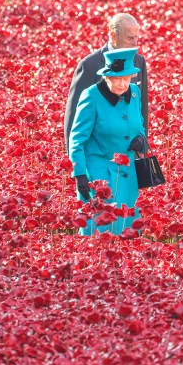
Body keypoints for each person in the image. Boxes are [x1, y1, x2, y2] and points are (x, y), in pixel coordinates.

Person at [68, 48, 148, 236]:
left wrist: (140, 140)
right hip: (100, 178)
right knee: (101, 234)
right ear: (107, 77)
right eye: (118, 79)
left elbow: (140, 125)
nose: (123, 84)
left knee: (128, 232)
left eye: (127, 79)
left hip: (128, 177)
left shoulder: (134, 93)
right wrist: (79, 174)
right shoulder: (91, 97)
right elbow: (77, 139)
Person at [64, 13, 148, 150]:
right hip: (99, 154)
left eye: (137, 37)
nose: (135, 43)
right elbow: (74, 114)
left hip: (130, 153)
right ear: (114, 36)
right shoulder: (89, 65)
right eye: (130, 38)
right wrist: (75, 162)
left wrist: (143, 142)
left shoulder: (139, 61)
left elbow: (142, 108)